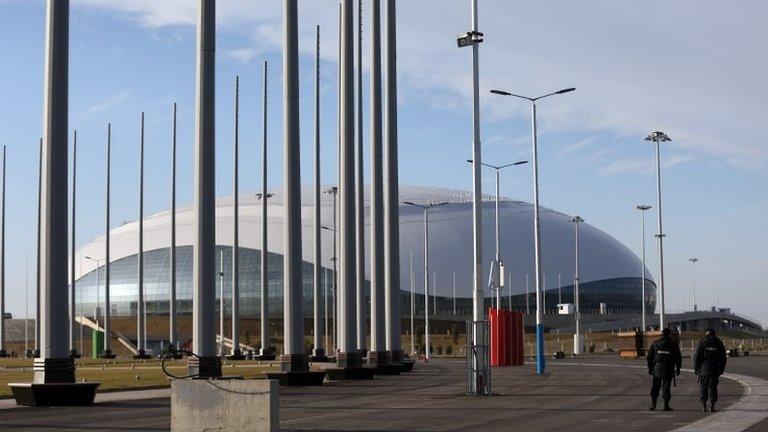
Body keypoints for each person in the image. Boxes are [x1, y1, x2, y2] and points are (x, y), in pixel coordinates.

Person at [647, 328, 682, 411]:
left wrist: (650, 368)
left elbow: (649, 357)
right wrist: (678, 368)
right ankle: (665, 406)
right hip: (668, 368)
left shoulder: (655, 343)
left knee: (655, 386)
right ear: (669, 334)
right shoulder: (673, 344)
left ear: (661, 334)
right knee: (666, 387)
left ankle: (653, 404)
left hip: (657, 367)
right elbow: (678, 358)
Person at [694, 329, 727, 412]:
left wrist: (696, 370)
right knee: (713, 387)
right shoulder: (719, 343)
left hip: (704, 369)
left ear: (707, 334)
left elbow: (697, 357)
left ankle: (703, 405)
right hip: (715, 369)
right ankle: (712, 406)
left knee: (703, 387)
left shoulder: (702, 342)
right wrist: (721, 370)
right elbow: (723, 358)